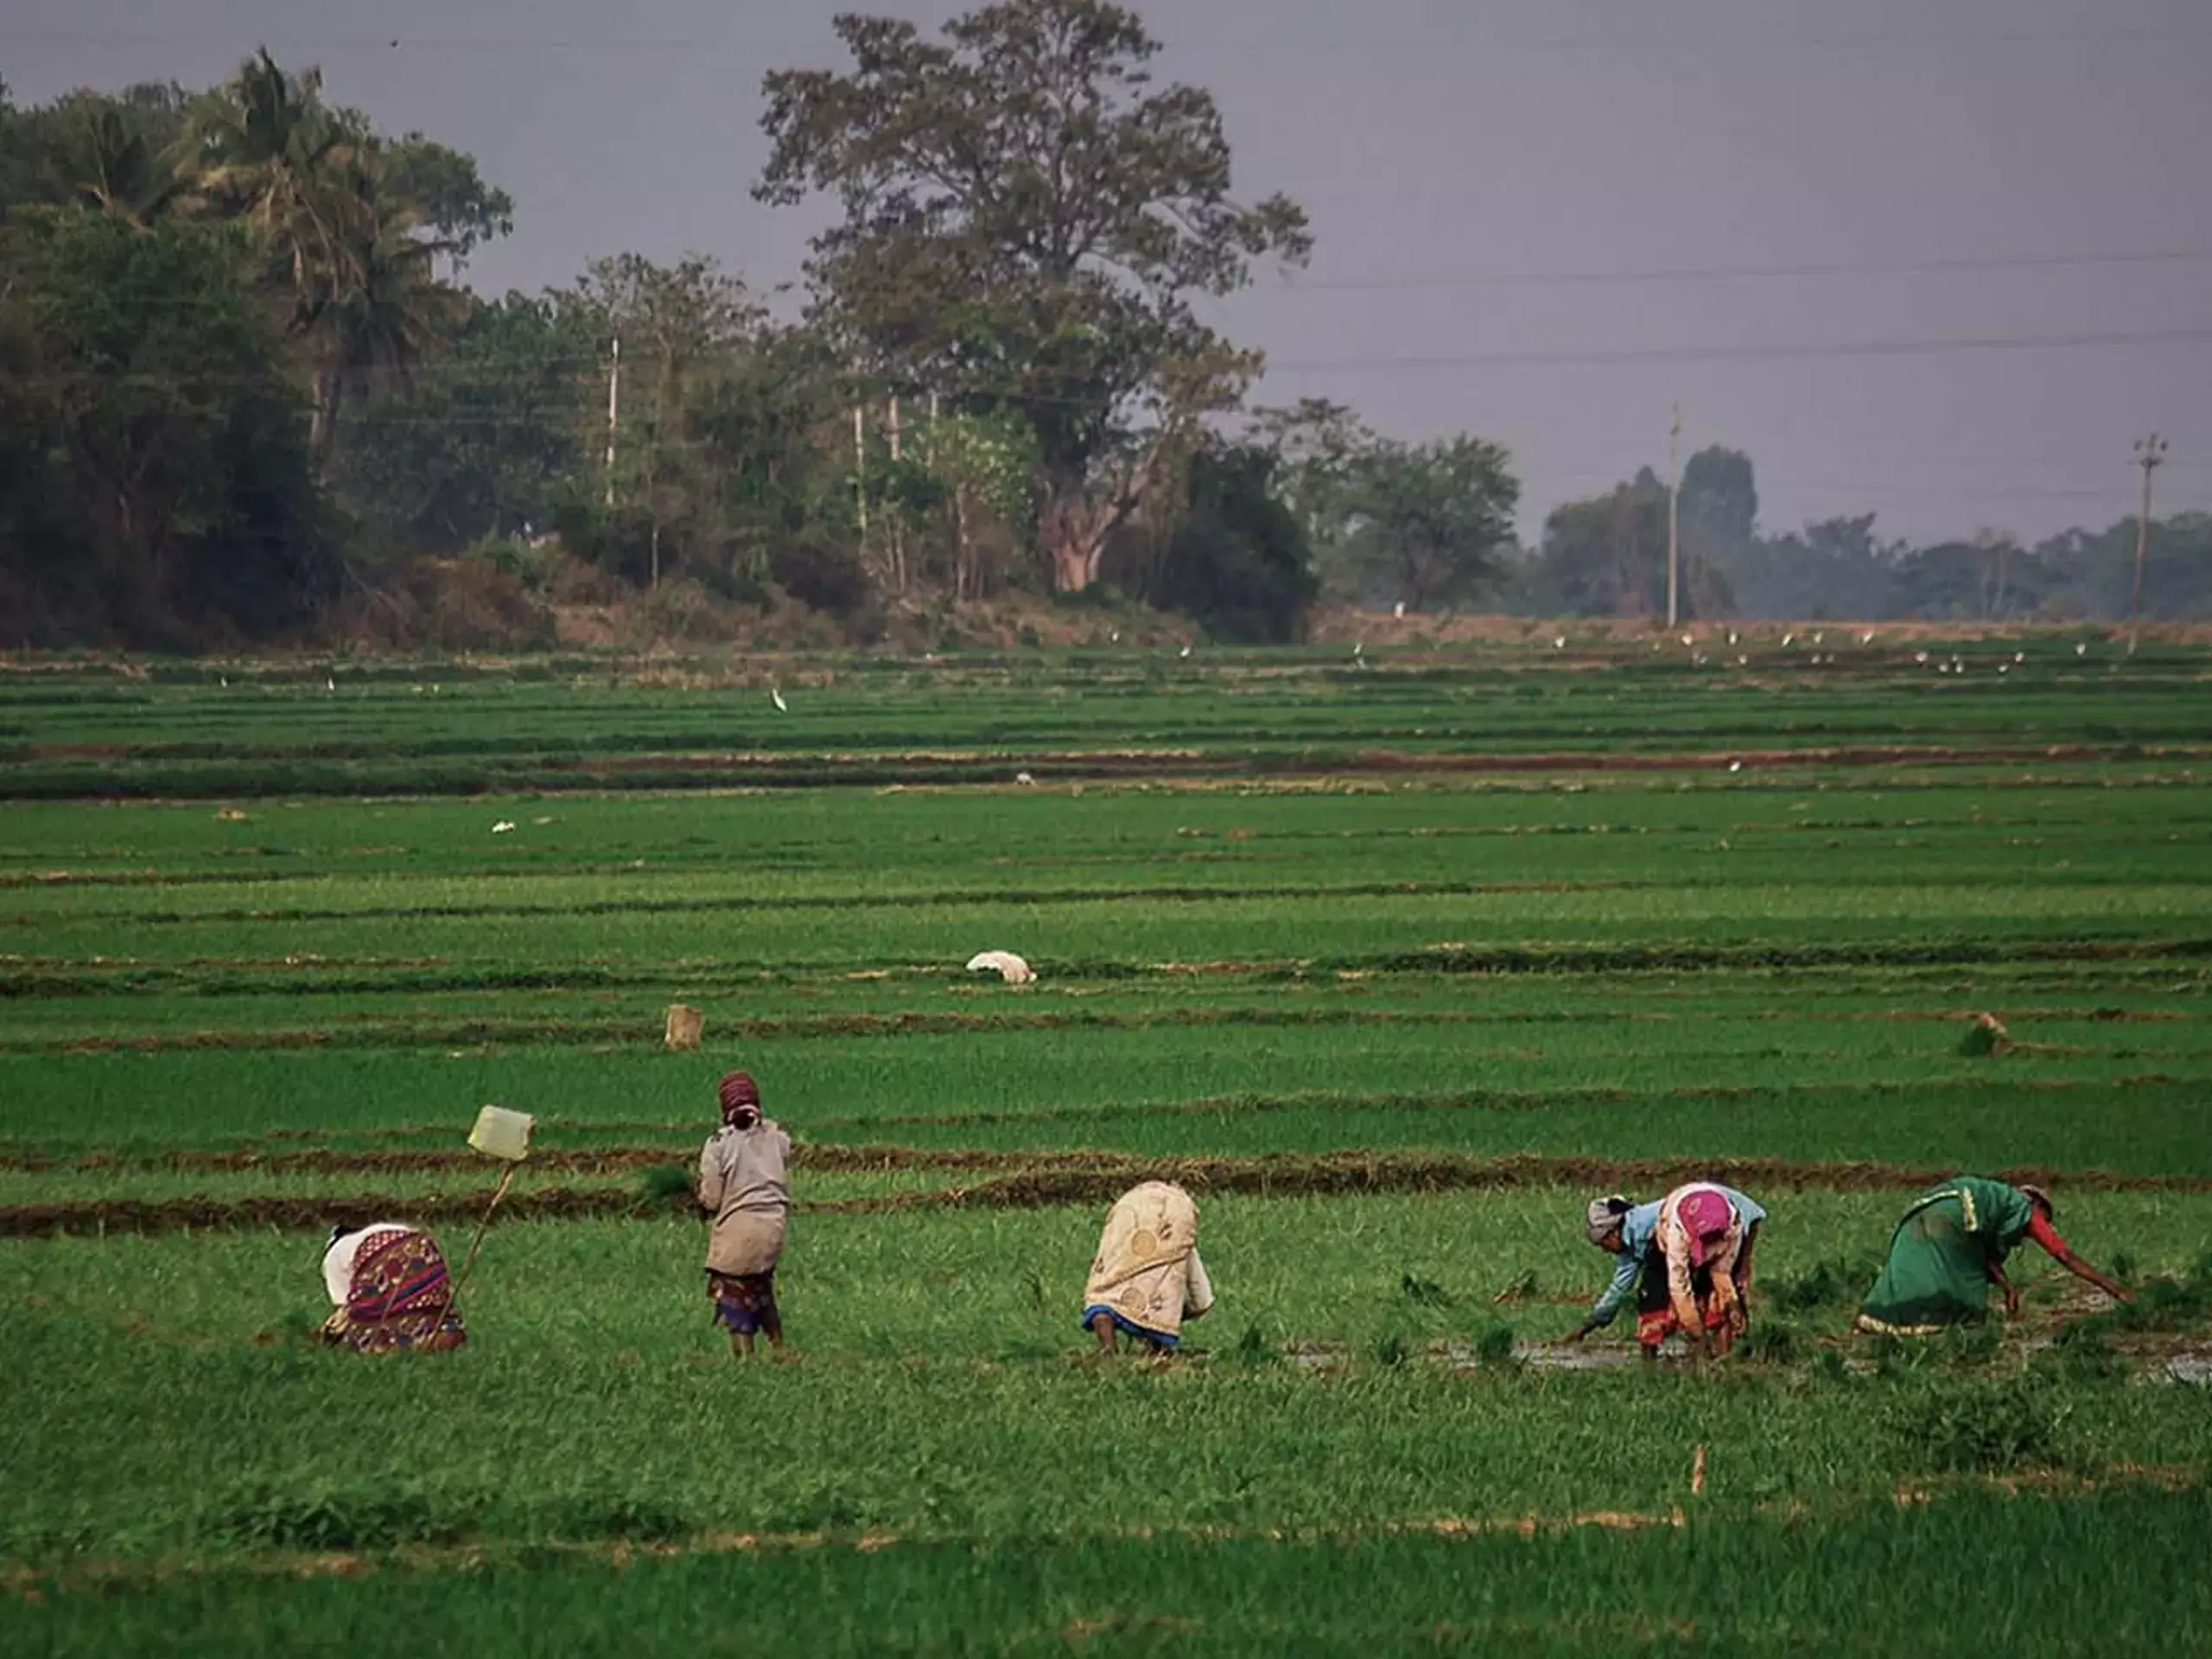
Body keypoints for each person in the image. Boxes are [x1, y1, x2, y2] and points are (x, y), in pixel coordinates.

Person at [1855, 1177, 2129, 1336]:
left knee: (1915, 1270)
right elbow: (2065, 1256)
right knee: (1963, 1284)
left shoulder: (1988, 1203)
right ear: (2036, 1205)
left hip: (1920, 1214)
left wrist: (2008, 1288)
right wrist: (2115, 1290)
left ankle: (1881, 1319)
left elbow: (1983, 1255)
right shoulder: (2024, 1210)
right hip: (1952, 1219)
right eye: (2046, 1219)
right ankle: (1942, 1324)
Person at [1567, 1182, 1765, 1358]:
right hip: (1699, 1234)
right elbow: (1618, 1289)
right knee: (1657, 1299)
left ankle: (1723, 1356)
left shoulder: (1655, 1225)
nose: (1604, 1250)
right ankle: (1706, 1354)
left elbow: (1687, 1283)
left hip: (1721, 1227)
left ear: (1613, 1234)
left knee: (1710, 1296)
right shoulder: (1631, 1243)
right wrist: (1588, 1325)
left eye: (1603, 1244)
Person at [699, 1070, 792, 1357]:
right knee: (761, 1287)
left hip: (739, 1232)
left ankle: (745, 1362)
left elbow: (711, 1199)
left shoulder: (718, 1145)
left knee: (735, 1296)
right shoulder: (777, 1137)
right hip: (773, 1229)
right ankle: (780, 1349)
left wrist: (698, 1202)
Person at [1082, 1180, 1214, 1356]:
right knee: (1162, 1283)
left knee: (1114, 1274)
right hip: (1168, 1220)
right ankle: (1157, 1344)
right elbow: (1201, 1300)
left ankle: (1105, 1329)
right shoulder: (1181, 1209)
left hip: (1128, 1212)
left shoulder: (1136, 1198)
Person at [319, 1220, 467, 1353]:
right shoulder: (381, 1228)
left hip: (384, 1255)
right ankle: (438, 1331)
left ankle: (395, 1340)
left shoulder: (333, 1256)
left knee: (363, 1325)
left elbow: (344, 1310)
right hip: (420, 1246)